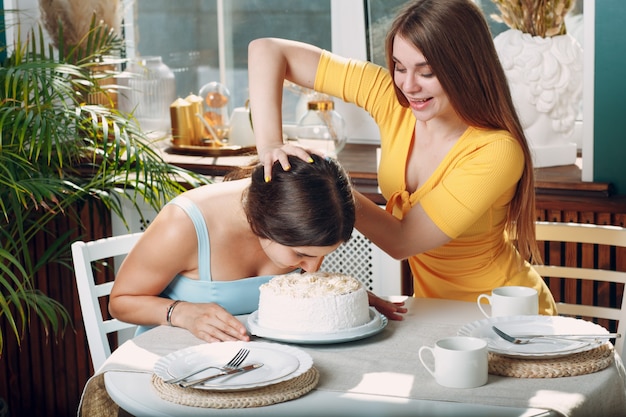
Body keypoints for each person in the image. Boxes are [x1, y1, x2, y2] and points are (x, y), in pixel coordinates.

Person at [247, 0, 557, 315]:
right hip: (434, 311)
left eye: (427, 72)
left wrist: (326, 188)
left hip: (507, 313)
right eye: (400, 66)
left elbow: (402, 240)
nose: (408, 86)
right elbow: (267, 50)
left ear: (466, 69)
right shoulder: (393, 101)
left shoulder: (497, 151)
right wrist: (271, 146)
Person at [109, 155, 406, 344]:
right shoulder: (183, 224)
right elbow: (121, 302)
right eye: (302, 255)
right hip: (173, 367)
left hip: (259, 365)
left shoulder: (310, 196)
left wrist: (331, 299)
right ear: (262, 226)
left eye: (322, 254)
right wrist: (183, 313)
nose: (313, 268)